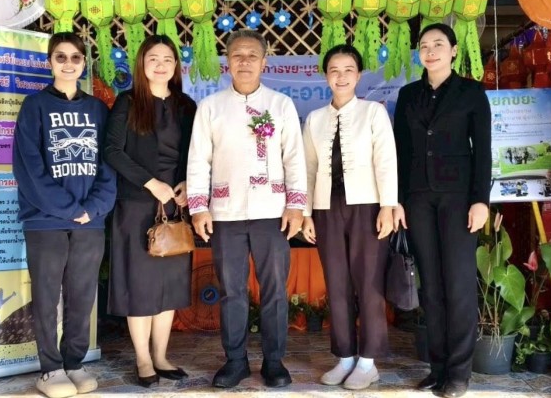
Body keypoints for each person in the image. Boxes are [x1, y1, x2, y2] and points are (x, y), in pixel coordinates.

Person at [186, 29, 306, 389]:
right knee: (232, 291)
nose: (245, 61)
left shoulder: (281, 105)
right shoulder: (210, 107)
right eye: (237, 55)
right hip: (226, 212)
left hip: (272, 212)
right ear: (227, 62)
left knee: (275, 290)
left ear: (264, 62)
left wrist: (296, 205)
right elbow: (198, 160)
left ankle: (274, 361)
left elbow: (295, 158)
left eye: (252, 55)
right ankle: (235, 361)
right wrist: (199, 206)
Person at [12, 32, 116, 398]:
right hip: (45, 221)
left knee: (82, 295)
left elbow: (109, 164)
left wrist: (93, 208)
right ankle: (50, 369)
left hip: (90, 221)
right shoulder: (34, 106)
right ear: (50, 62)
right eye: (61, 56)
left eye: (75, 57)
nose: (68, 63)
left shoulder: (99, 110)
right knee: (46, 296)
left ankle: (74, 362)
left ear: (84, 63)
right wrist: (71, 210)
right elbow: (28, 168)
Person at [393, 23, 491, 398]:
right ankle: (437, 368)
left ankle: (459, 373)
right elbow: (401, 151)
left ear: (453, 51)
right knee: (430, 286)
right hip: (418, 198)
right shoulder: (408, 95)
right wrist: (398, 199)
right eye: (424, 45)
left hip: (459, 199)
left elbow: (483, 150)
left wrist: (480, 200)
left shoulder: (471, 92)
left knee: (459, 284)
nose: (430, 51)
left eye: (438, 44)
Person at [301, 45, 397, 390]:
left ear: (358, 75)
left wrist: (388, 205)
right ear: (326, 76)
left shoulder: (373, 113)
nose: (341, 76)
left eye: (348, 70)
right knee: (337, 283)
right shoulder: (314, 119)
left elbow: (386, 160)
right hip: (326, 209)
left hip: (367, 207)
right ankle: (344, 357)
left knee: (369, 283)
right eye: (334, 70)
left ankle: (368, 362)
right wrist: (307, 213)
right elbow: (308, 169)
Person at [104, 35, 196, 387]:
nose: (161, 65)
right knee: (139, 285)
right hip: (136, 205)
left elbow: (195, 153)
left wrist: (186, 182)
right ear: (142, 64)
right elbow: (112, 151)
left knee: (169, 285)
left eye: (168, 59)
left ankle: (161, 356)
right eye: (153, 58)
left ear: (176, 66)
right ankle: (143, 359)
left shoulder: (186, 106)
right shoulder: (128, 102)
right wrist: (149, 182)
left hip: (174, 206)